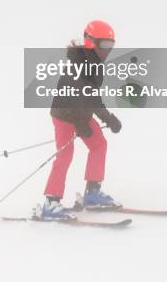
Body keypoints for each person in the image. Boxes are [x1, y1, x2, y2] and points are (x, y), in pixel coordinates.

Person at [41, 20, 122, 220]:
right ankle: (51, 203)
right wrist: (79, 124)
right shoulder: (77, 66)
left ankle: (92, 194)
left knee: (99, 144)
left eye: (110, 46)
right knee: (65, 154)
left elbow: (92, 98)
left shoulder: (94, 65)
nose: (107, 50)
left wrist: (108, 118)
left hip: (82, 115)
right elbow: (69, 99)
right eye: (104, 45)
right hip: (64, 115)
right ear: (90, 41)